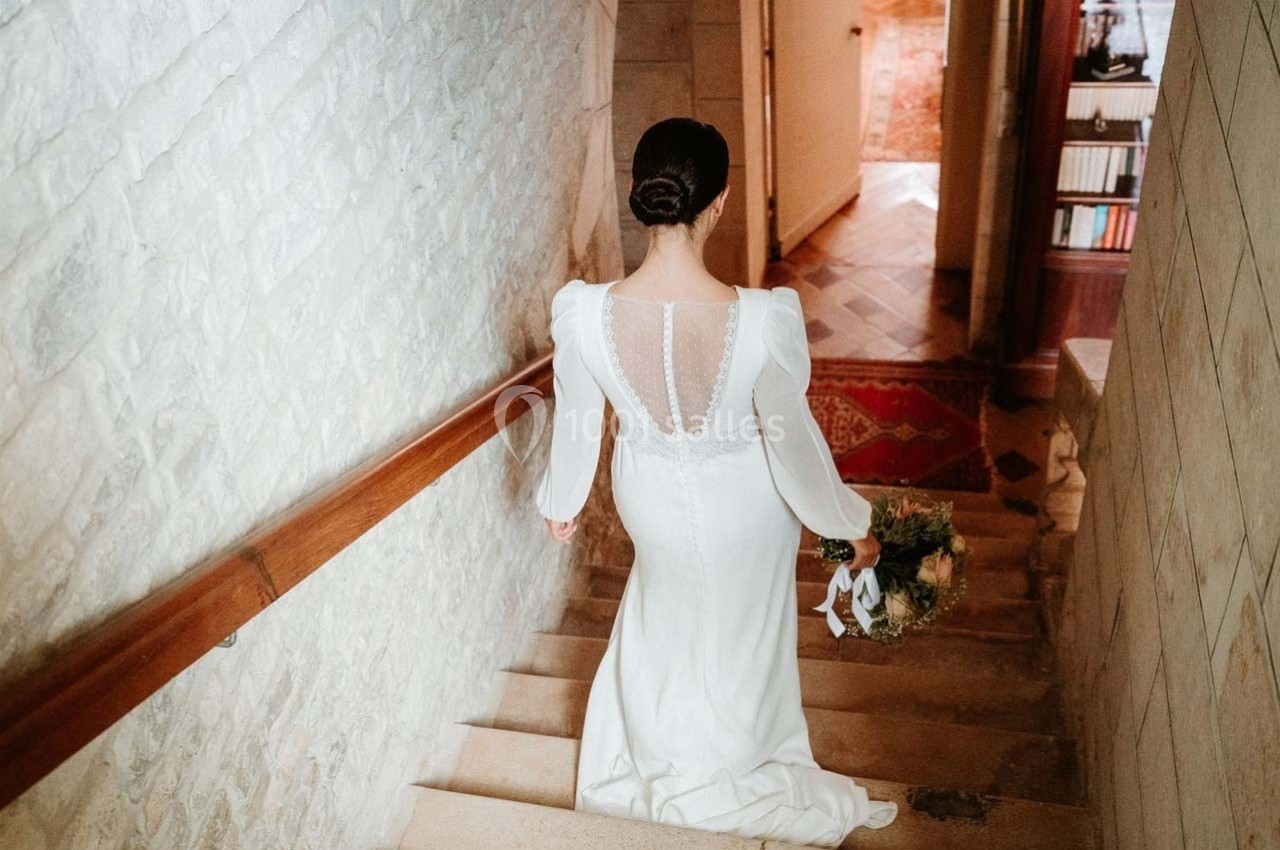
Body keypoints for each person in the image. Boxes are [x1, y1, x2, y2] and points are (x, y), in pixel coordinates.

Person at [534, 117, 897, 847]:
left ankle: (665, 750)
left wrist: (561, 501)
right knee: (745, 634)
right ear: (720, 203)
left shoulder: (582, 313)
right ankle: (736, 756)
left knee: (664, 612)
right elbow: (792, 442)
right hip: (748, 508)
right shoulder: (766, 319)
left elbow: (577, 419)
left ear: (639, 193)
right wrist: (844, 523)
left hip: (650, 499)